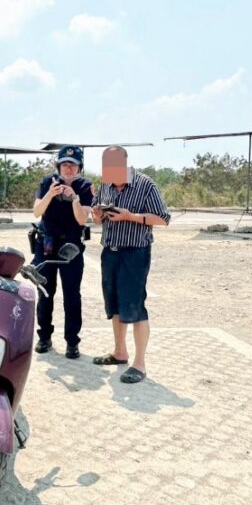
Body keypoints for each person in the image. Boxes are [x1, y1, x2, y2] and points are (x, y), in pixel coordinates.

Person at [91, 146, 170, 384]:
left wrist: (130, 216)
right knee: (114, 305)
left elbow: (163, 219)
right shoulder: (105, 185)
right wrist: (97, 215)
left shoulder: (146, 185)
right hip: (110, 252)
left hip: (135, 254)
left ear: (125, 163)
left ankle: (139, 364)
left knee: (135, 307)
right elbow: (96, 219)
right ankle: (120, 352)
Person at [32, 145, 93, 359]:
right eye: (65, 164)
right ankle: (44, 336)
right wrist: (51, 193)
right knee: (45, 292)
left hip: (71, 247)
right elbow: (37, 211)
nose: (68, 169)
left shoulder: (85, 187)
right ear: (58, 166)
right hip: (47, 244)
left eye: (73, 165)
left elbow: (82, 219)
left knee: (72, 294)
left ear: (79, 168)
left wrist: (74, 198)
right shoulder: (47, 182)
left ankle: (72, 341)